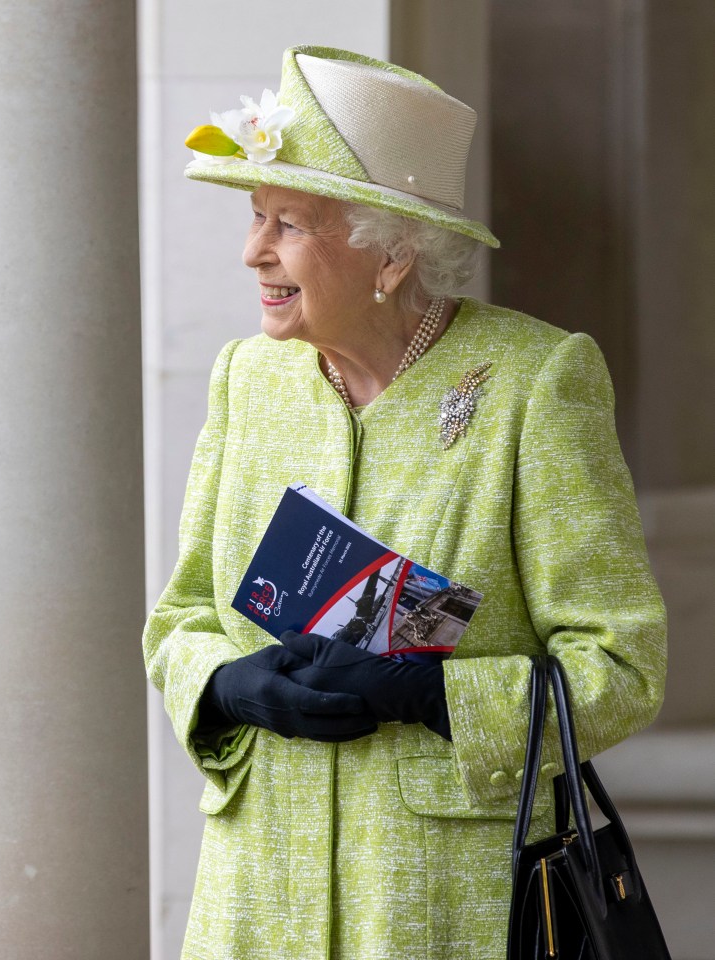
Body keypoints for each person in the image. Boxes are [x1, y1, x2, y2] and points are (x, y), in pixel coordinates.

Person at [143, 45, 666, 960]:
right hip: (260, 895)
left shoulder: (535, 383)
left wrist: (437, 694)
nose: (252, 251)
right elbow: (183, 616)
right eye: (256, 216)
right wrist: (227, 685)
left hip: (445, 905)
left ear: (389, 250)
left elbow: (623, 667)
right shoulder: (247, 379)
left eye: (288, 224)